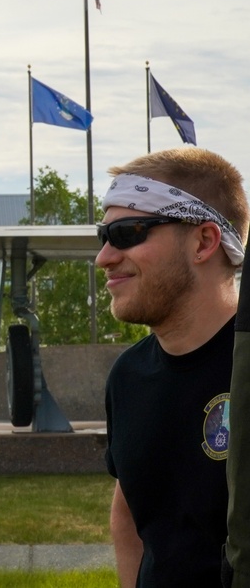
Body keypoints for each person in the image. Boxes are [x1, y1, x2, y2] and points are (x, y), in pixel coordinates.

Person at [98, 148, 248, 588]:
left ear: (204, 241)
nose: (104, 257)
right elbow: (129, 514)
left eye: (127, 232)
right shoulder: (128, 376)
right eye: (102, 236)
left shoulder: (247, 373)